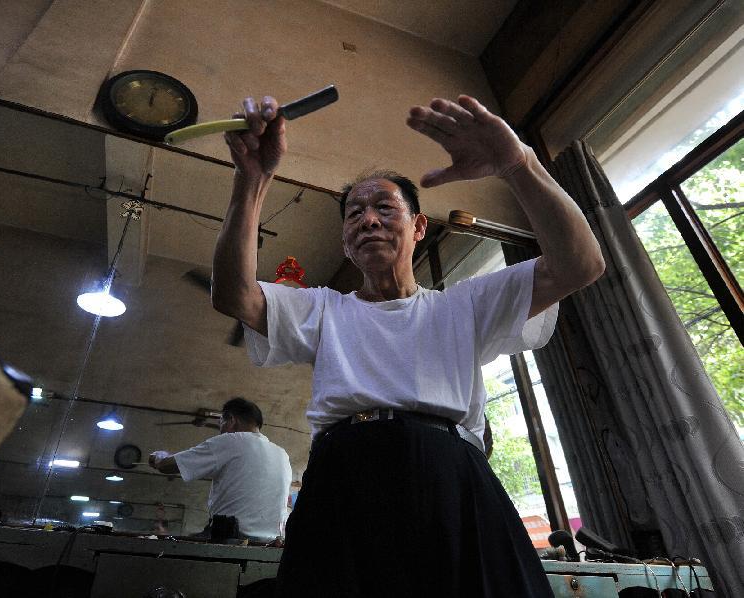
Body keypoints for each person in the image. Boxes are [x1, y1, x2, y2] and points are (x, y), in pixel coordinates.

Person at [211, 93, 605, 596]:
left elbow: (581, 265)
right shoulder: (324, 308)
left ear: (419, 227)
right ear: (345, 243)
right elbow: (233, 294)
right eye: (354, 214)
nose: (368, 220)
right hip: (344, 476)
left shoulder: (462, 304)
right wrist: (252, 178)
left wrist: (518, 163)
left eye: (383, 208)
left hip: (451, 474)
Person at [148, 397, 292, 542]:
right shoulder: (282, 454)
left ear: (231, 419)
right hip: (272, 544)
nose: (220, 430)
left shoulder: (230, 441)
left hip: (231, 539)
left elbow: (166, 466)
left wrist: (158, 456)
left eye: (221, 423)